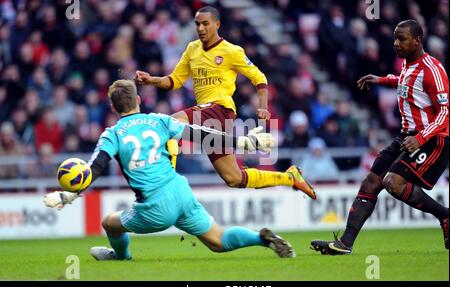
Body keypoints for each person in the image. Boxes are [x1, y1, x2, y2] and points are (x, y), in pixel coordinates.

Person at [43, 79, 295, 260]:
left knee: (109, 223)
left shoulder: (111, 135)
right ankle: (260, 238)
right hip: (180, 191)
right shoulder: (160, 120)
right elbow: (201, 134)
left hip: (155, 207)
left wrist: (69, 194)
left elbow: (92, 170)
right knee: (218, 241)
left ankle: (122, 257)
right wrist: (243, 141)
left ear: (112, 107)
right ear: (138, 100)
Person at [135, 6, 316, 200]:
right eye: (197, 24)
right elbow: (175, 81)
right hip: (205, 117)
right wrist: (152, 80)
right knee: (234, 178)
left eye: (205, 23)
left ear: (217, 24)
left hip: (220, 110)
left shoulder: (231, 51)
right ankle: (290, 178)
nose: (201, 28)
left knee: (170, 123)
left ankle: (165, 186)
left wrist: (263, 106)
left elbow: (260, 78)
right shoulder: (192, 49)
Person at [311, 19, 449, 255]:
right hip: (407, 136)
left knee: (393, 182)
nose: (396, 43)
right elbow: (407, 83)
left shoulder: (432, 70)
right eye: (395, 38)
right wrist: (382, 79)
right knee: (371, 182)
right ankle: (345, 244)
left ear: (418, 40)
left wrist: (422, 138)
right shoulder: (408, 65)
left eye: (402, 38)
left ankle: (444, 216)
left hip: (432, 139)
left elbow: (445, 113)